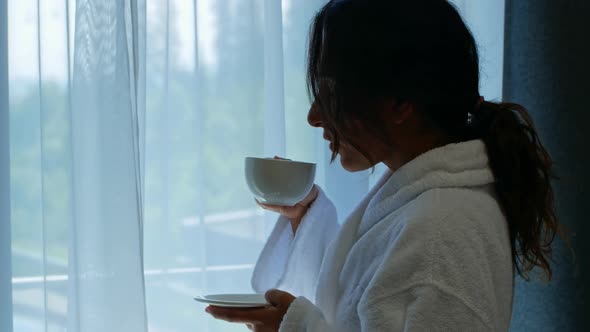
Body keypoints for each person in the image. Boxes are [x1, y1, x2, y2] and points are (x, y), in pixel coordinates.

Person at [205, 0, 561, 331]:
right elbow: (365, 299)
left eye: (330, 94)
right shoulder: (422, 205)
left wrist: (296, 327)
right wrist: (308, 219)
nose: (314, 117)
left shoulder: (443, 229)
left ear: (399, 103)